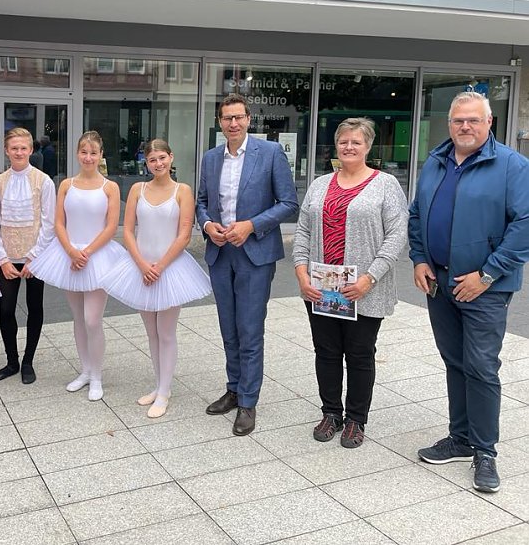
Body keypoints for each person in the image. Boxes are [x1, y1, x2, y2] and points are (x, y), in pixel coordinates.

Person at [409, 91, 529, 493]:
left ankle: (485, 450)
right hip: (438, 282)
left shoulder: (512, 166)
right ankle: (460, 438)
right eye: (459, 120)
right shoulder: (436, 160)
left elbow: (524, 226)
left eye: (474, 120)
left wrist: (488, 274)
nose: (465, 126)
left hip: (485, 287)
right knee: (454, 360)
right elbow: (417, 213)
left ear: (489, 122)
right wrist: (420, 258)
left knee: (480, 365)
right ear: (450, 123)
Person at [293, 118, 408, 448]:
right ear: (336, 145)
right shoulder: (319, 185)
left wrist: (369, 278)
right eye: (343, 141)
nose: (349, 147)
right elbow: (302, 232)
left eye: (356, 142)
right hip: (322, 287)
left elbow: (396, 235)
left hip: (364, 289)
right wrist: (301, 273)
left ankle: (356, 419)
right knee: (326, 351)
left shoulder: (385, 185)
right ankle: (331, 412)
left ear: (368, 146)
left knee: (359, 353)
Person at [196, 93, 298, 436]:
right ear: (220, 122)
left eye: (239, 117)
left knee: (250, 330)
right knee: (229, 328)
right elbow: (202, 202)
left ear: (249, 119)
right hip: (220, 253)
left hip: (255, 254)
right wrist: (208, 226)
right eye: (227, 118)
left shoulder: (269, 153)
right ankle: (234, 387)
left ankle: (249, 401)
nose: (233, 123)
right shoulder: (210, 158)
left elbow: (288, 203)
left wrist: (251, 225)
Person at [102, 140, 211, 418]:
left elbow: (184, 235)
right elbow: (127, 230)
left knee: (166, 332)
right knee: (151, 332)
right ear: (146, 163)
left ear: (171, 158)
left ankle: (165, 391)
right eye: (152, 159)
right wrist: (141, 264)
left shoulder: (182, 191)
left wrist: (159, 267)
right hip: (139, 267)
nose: (158, 163)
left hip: (170, 268)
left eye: (162, 157)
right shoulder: (138, 190)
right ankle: (158, 384)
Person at [30, 131, 127, 401]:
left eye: (93, 152)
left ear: (100, 156)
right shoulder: (66, 185)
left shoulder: (109, 187)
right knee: (78, 319)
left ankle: (97, 376)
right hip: (68, 255)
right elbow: (58, 222)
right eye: (84, 152)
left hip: (99, 256)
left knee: (92, 319)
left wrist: (87, 252)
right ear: (77, 154)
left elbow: (111, 226)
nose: (88, 157)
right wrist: (72, 251)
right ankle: (85, 370)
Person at [0, 128, 56, 384]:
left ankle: (28, 361)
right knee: (5, 309)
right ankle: (11, 361)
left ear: (30, 150)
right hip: (7, 256)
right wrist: (2, 259)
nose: (18, 152)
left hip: (35, 256)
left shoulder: (43, 181)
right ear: (6, 150)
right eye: (14, 148)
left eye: (23, 148)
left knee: (35, 307)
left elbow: (49, 222)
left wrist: (34, 257)